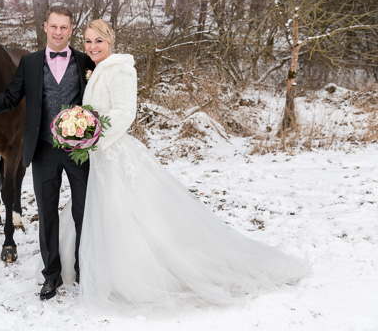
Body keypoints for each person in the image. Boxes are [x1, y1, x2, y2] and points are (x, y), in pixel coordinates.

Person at [75, 19, 310, 315]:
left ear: (110, 42)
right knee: (107, 212)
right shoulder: (98, 69)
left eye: (99, 41)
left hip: (113, 152)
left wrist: (94, 140)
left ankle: (133, 276)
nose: (93, 46)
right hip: (100, 157)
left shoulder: (120, 69)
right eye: (88, 41)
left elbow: (125, 114)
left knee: (127, 213)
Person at [0, 6, 95, 301]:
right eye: (54, 26)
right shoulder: (30, 64)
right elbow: (9, 99)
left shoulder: (85, 62)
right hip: (42, 149)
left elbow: (102, 95)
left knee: (85, 211)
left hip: (79, 151)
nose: (58, 32)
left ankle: (85, 269)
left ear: (71, 30)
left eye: (64, 28)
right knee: (47, 214)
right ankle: (51, 276)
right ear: (45, 27)